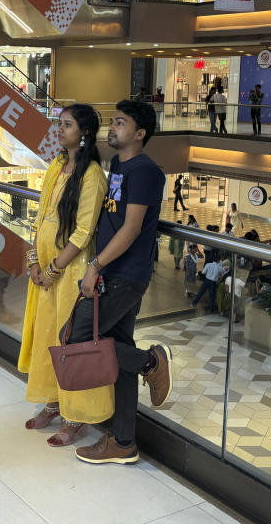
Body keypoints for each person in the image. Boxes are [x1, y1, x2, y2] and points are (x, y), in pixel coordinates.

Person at [64, 100, 172, 465]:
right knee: (118, 349)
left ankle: (151, 362)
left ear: (139, 134)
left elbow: (131, 228)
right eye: (112, 122)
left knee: (80, 336)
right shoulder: (119, 165)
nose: (112, 127)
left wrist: (95, 265)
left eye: (121, 123)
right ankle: (124, 441)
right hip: (114, 272)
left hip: (124, 274)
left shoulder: (144, 171)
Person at [18, 104, 109, 447]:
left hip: (70, 272)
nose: (60, 129)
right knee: (47, 338)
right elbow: (40, 216)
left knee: (70, 341)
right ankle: (54, 402)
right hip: (45, 269)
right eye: (60, 123)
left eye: (66, 124)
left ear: (84, 132)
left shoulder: (93, 175)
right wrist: (33, 261)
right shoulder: (57, 165)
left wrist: (54, 269)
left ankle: (76, 416)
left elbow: (83, 232)